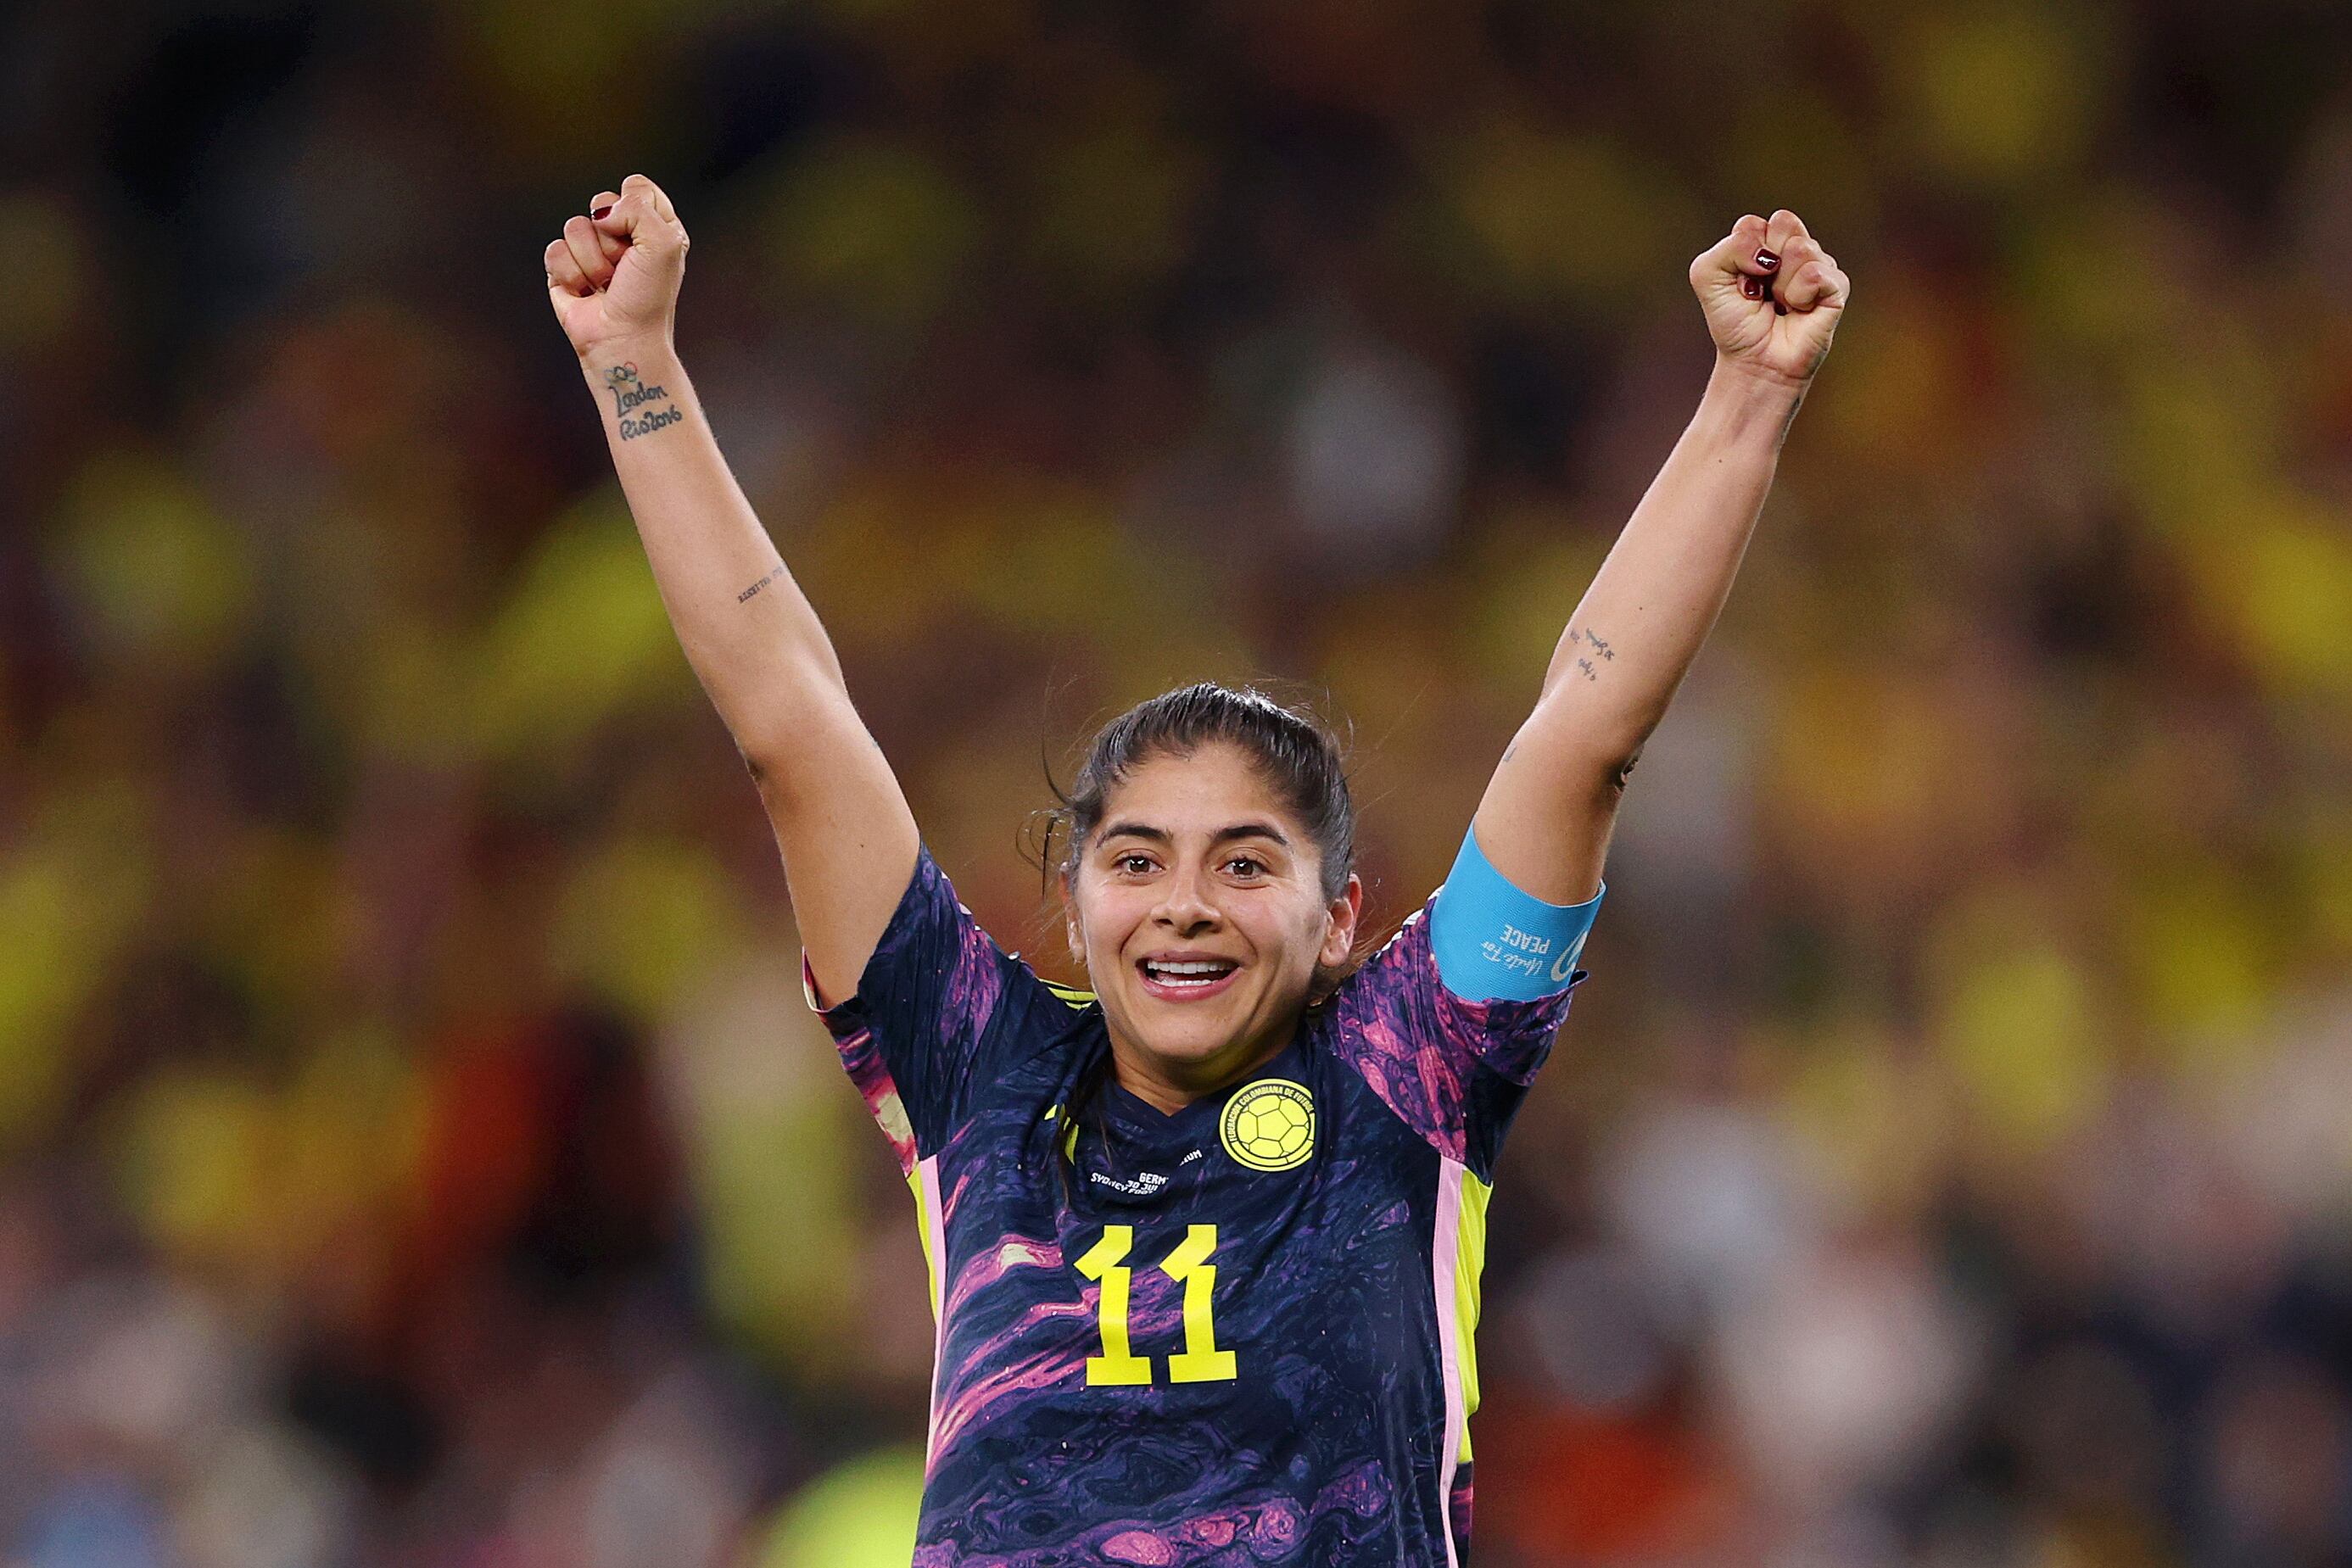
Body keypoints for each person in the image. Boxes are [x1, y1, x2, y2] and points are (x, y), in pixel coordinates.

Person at [545, 176, 1847, 1566]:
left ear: (1339, 917)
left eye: (1243, 862)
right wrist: (635, 367)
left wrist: (1747, 397)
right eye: (1136, 859)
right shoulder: (979, 1074)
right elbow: (789, 723)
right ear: (1072, 903)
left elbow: (1584, 735)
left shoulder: (1409, 1068)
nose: (1182, 902)